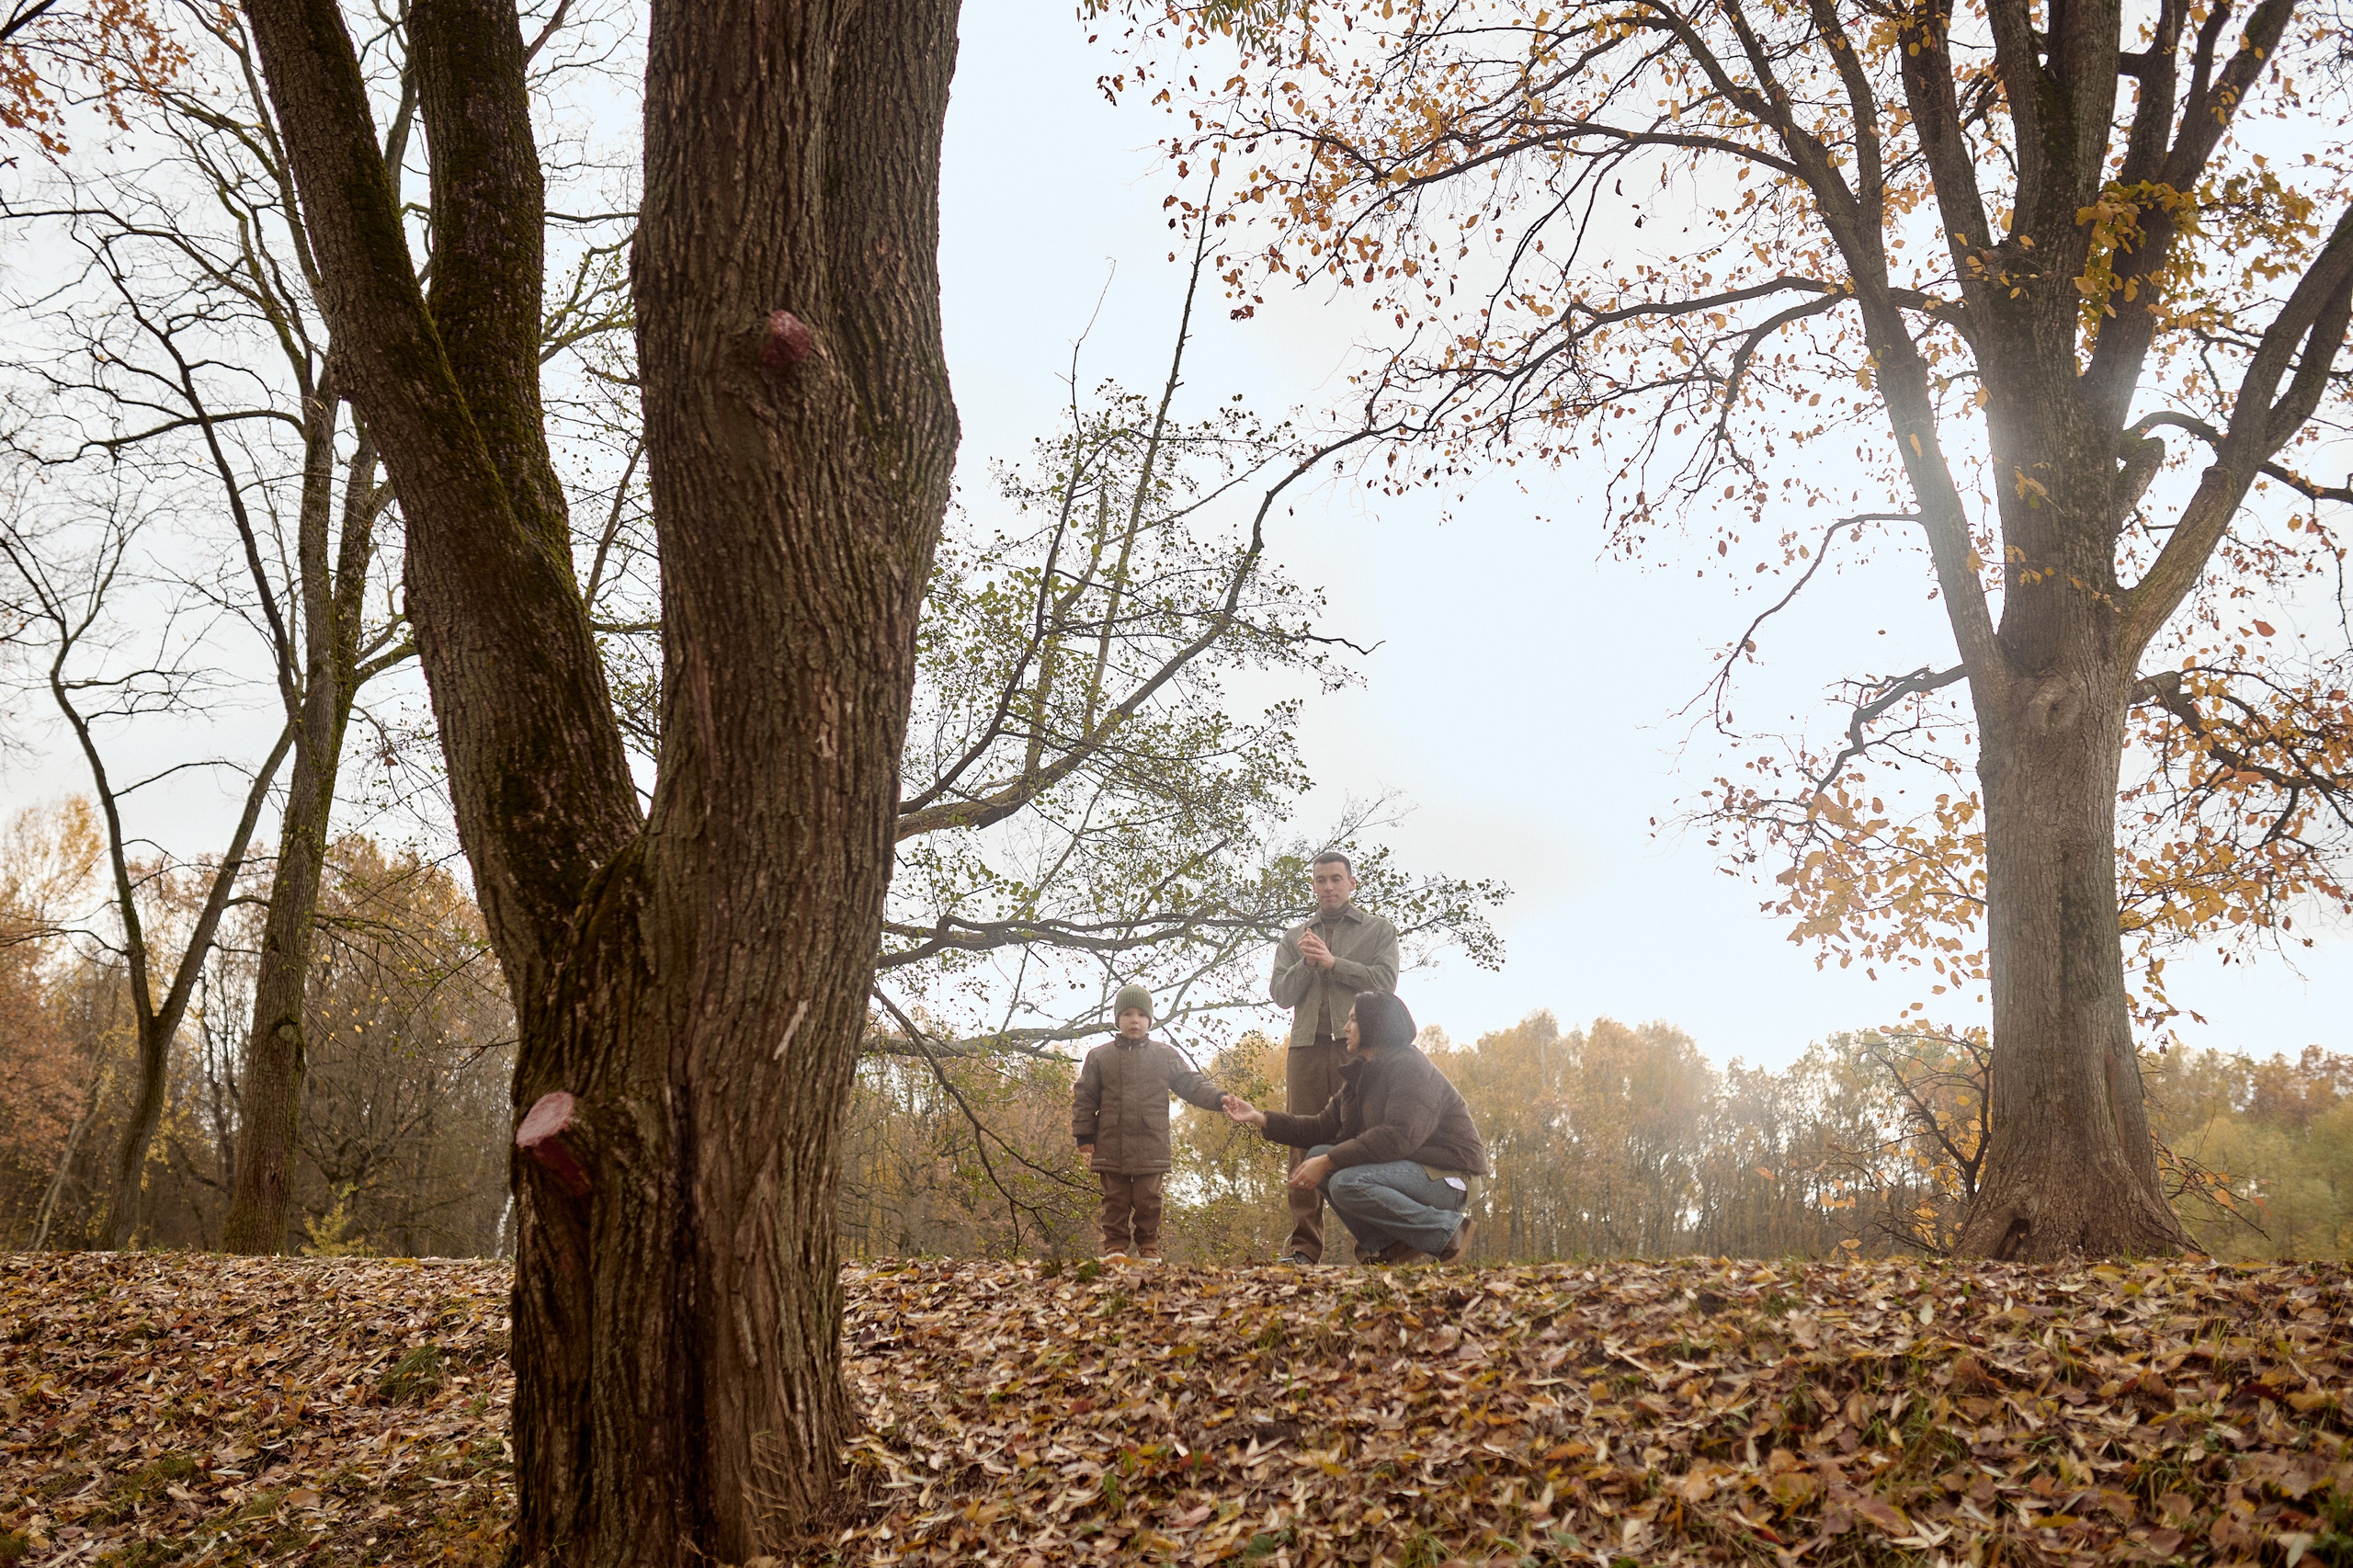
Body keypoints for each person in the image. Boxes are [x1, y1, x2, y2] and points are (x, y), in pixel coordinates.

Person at [1222, 991, 1487, 1265]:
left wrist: (1330, 1160)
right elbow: (1320, 1127)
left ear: (1374, 1024)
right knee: (1317, 1155)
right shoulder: (1361, 1073)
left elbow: (1398, 1137)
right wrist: (1259, 1118)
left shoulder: (1410, 1067)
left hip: (1451, 1176)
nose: (1345, 1028)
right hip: (1414, 1170)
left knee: (1346, 1181)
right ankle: (1391, 1247)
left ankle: (1447, 1230)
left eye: (1353, 1020)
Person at [1266, 850, 1399, 1264]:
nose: (1328, 887)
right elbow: (1281, 995)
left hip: (1359, 1050)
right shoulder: (1294, 937)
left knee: (1364, 1138)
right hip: (1305, 1050)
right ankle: (1304, 1249)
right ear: (1313, 886)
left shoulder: (1379, 930)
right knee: (1301, 1142)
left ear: (1351, 883)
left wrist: (1334, 963)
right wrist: (1308, 963)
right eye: (1320, 880)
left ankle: (1373, 1247)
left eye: (1336, 879)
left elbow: (1385, 983)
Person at [1072, 983, 1226, 1262]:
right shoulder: (1099, 1056)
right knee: (1115, 1201)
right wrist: (1084, 1136)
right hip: (1110, 1143)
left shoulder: (1164, 1056)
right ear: (1117, 1018)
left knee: (1149, 1200)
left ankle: (1149, 1248)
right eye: (1128, 1014)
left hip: (1151, 1142)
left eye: (1141, 1015)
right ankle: (1115, 1249)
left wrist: (1219, 1099)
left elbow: (1190, 1084)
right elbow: (1085, 1097)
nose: (1135, 1020)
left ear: (1150, 1020)